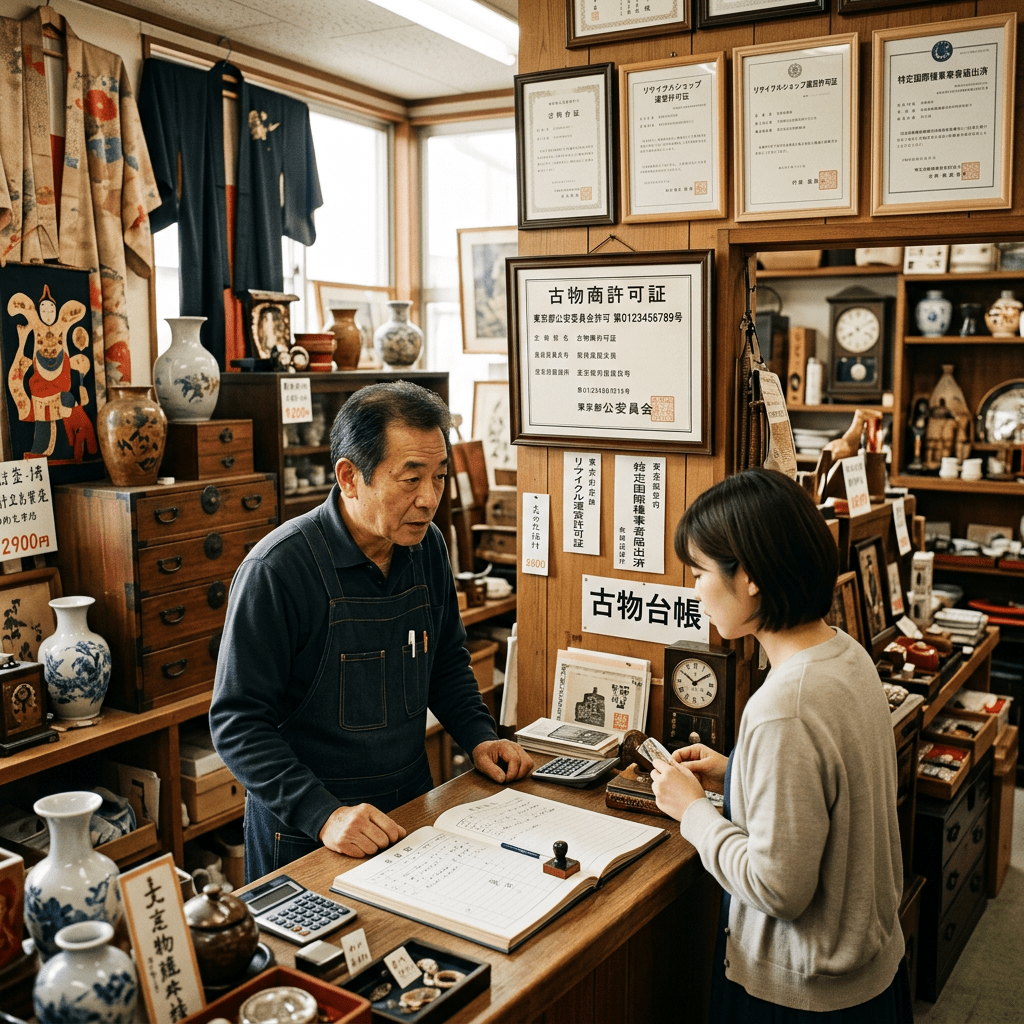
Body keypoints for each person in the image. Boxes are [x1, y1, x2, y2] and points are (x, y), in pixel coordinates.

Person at [210, 380, 532, 881]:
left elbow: (445, 660)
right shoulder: (277, 569)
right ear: (349, 477)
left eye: (440, 477)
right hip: (308, 832)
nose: (429, 499)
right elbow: (237, 723)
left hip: (410, 812)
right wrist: (324, 815)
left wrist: (479, 737)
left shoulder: (427, 548)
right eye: (410, 479)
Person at [650, 469, 910, 1023]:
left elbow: (778, 888)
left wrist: (691, 811)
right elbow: (832, 796)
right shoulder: (845, 654)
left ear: (748, 577)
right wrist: (739, 772)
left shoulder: (781, 708)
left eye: (699, 572)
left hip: (804, 995)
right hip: (871, 974)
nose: (693, 588)